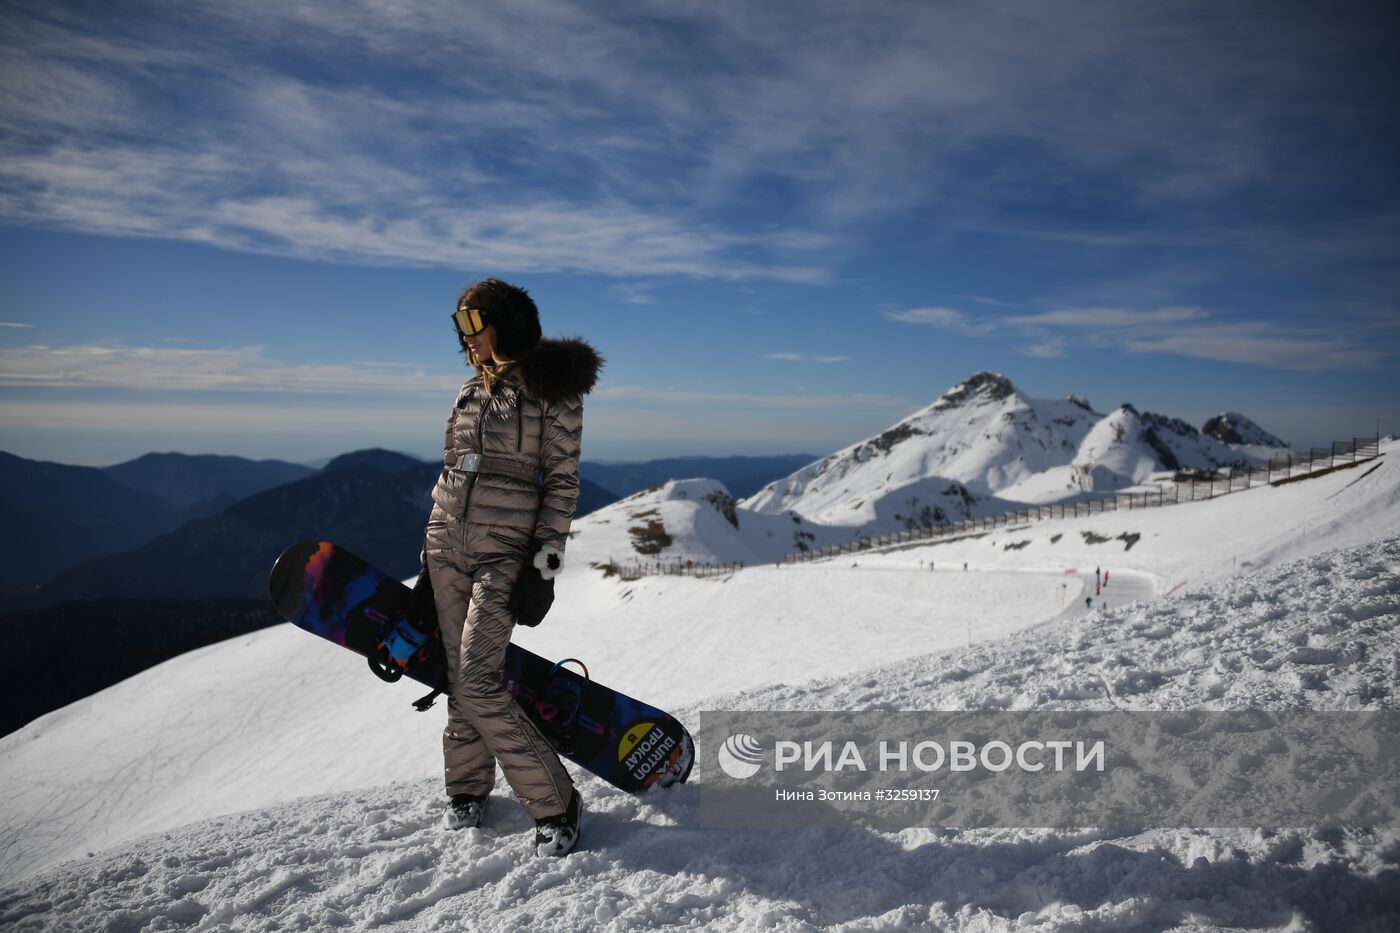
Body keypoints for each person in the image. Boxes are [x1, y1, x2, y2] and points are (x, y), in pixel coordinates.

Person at [418, 278, 602, 857]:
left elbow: (563, 484)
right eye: (459, 325)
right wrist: (427, 555)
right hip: (446, 546)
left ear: (508, 323)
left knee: (478, 678)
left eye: (473, 323)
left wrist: (544, 567)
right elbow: (452, 472)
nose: (464, 337)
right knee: (456, 674)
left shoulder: (554, 390)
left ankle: (556, 803)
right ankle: (467, 787)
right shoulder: (469, 391)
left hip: (505, 555)